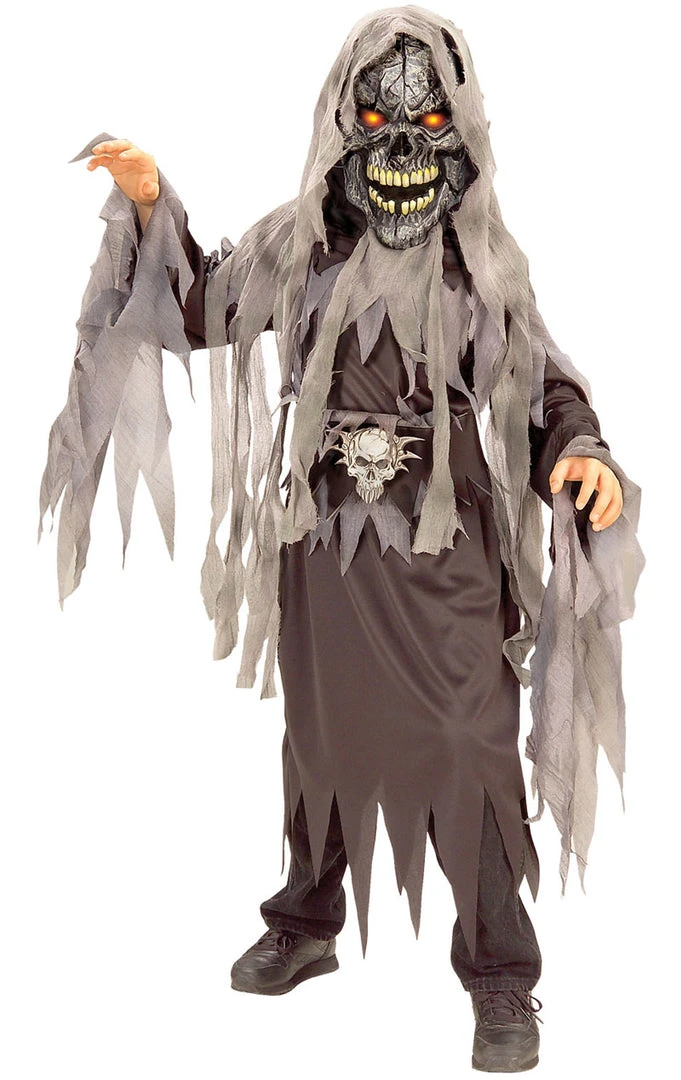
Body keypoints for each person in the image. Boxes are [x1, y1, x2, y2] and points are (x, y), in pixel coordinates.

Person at [40, 7, 643, 1073]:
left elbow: (542, 380)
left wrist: (578, 448)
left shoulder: (478, 264)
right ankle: (307, 921)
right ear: (341, 123)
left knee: (469, 748)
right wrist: (151, 202)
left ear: (462, 131)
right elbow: (201, 310)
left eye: (428, 122)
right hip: (324, 546)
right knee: (321, 737)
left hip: (444, 549)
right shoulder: (298, 243)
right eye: (378, 118)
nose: (403, 145)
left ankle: (501, 977)